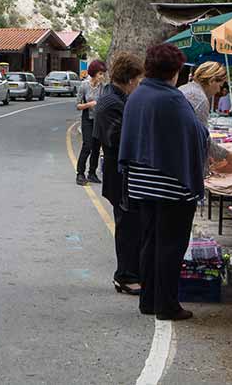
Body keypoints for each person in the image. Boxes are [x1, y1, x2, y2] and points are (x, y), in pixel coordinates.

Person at [118, 43, 208, 322]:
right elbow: (195, 134)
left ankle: (149, 301)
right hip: (171, 185)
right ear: (175, 71)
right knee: (171, 247)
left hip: (142, 184)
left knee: (149, 243)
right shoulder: (171, 98)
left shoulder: (139, 95)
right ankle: (168, 305)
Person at [94, 52, 145, 296]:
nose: (137, 85)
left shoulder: (115, 99)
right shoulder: (112, 103)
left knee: (131, 226)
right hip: (119, 174)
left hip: (120, 173)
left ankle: (130, 272)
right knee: (127, 227)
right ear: (129, 79)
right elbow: (117, 139)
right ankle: (125, 276)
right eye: (137, 80)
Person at [75, 60, 107, 186]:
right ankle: (80, 173)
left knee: (96, 147)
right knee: (87, 145)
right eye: (100, 74)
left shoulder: (103, 87)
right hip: (87, 118)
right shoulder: (84, 85)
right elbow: (77, 105)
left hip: (99, 120)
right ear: (93, 73)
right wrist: (89, 104)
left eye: (103, 74)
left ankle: (92, 173)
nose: (102, 76)